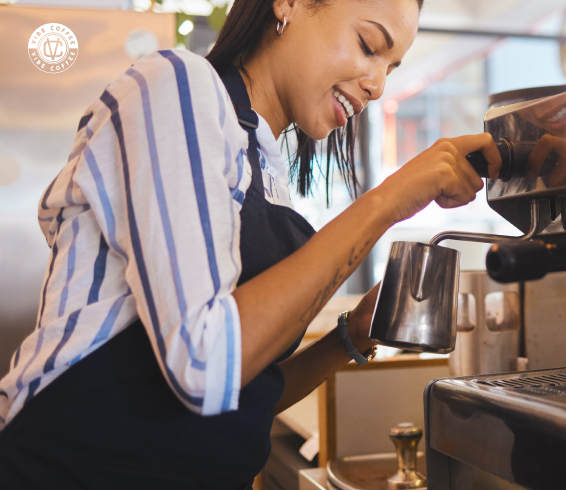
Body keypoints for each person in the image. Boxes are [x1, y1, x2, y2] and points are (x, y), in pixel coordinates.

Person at [0, 0, 501, 487]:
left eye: (392, 66)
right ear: (288, 4)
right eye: (369, 45)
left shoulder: (264, 166)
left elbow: (242, 393)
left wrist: (352, 337)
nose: (377, 84)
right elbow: (204, 365)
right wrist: (392, 198)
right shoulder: (175, 84)